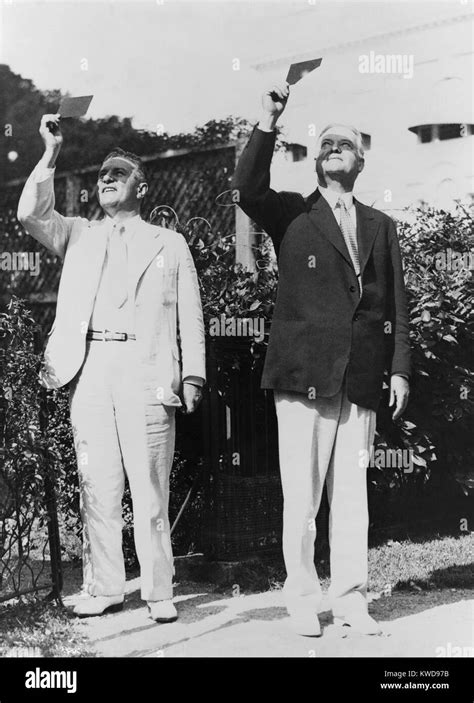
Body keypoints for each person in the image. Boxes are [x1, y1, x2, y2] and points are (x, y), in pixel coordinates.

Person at [232, 83, 410, 636]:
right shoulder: (290, 214)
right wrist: (269, 119)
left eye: (347, 144)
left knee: (352, 498)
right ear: (314, 160)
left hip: (360, 377)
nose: (335, 147)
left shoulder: (382, 226)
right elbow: (246, 185)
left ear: (361, 161)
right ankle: (304, 597)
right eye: (327, 143)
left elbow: (396, 305)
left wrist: (399, 367)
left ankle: (352, 600)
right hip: (304, 374)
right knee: (302, 497)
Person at [18, 115, 206, 621]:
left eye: (118, 174)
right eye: (103, 175)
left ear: (141, 187)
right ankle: (103, 587)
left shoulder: (168, 244)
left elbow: (190, 312)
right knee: (96, 483)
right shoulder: (77, 233)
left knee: (149, 486)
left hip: (146, 369)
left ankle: (159, 592)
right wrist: (50, 155)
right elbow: (31, 214)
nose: (106, 180)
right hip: (92, 366)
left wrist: (192, 376)